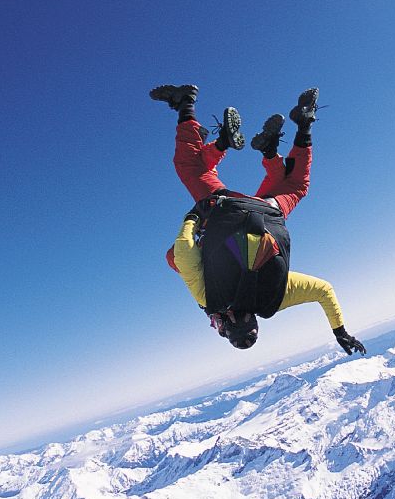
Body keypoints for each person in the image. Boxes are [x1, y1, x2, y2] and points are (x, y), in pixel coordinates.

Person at [150, 84, 366, 355]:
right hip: (225, 208)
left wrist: (340, 331)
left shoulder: (275, 298)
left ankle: (299, 128)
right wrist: (194, 217)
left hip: (267, 211)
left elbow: (324, 290)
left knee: (296, 186)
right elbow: (182, 254)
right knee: (189, 167)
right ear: (226, 325)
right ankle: (186, 105)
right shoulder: (212, 299)